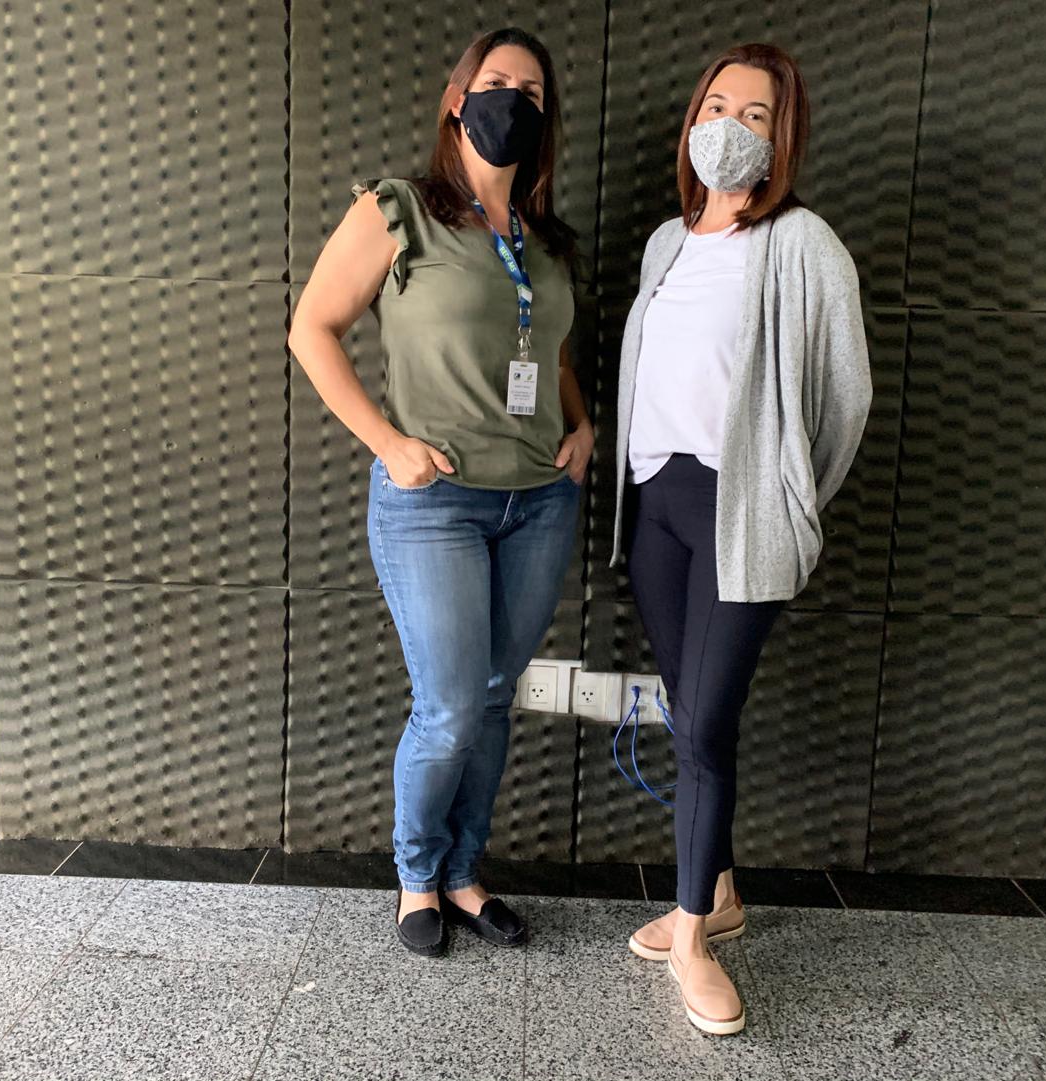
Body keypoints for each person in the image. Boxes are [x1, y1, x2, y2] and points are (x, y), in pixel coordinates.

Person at [287, 27, 593, 958]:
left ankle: (465, 874)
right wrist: (389, 444)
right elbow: (311, 328)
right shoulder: (400, 210)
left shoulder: (544, 240)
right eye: (496, 82)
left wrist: (583, 428)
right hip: (436, 504)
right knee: (452, 705)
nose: (513, 100)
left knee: (495, 699)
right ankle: (416, 875)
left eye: (531, 91)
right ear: (458, 100)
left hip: (539, 502)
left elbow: (551, 350)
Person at [610, 43, 873, 1033]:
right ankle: (716, 892)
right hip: (655, 506)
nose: (728, 126)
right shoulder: (664, 244)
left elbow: (844, 396)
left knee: (705, 729)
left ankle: (690, 938)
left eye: (754, 114)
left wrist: (793, 500)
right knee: (690, 714)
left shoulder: (804, 244)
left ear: (780, 136)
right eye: (715, 106)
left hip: (739, 513)